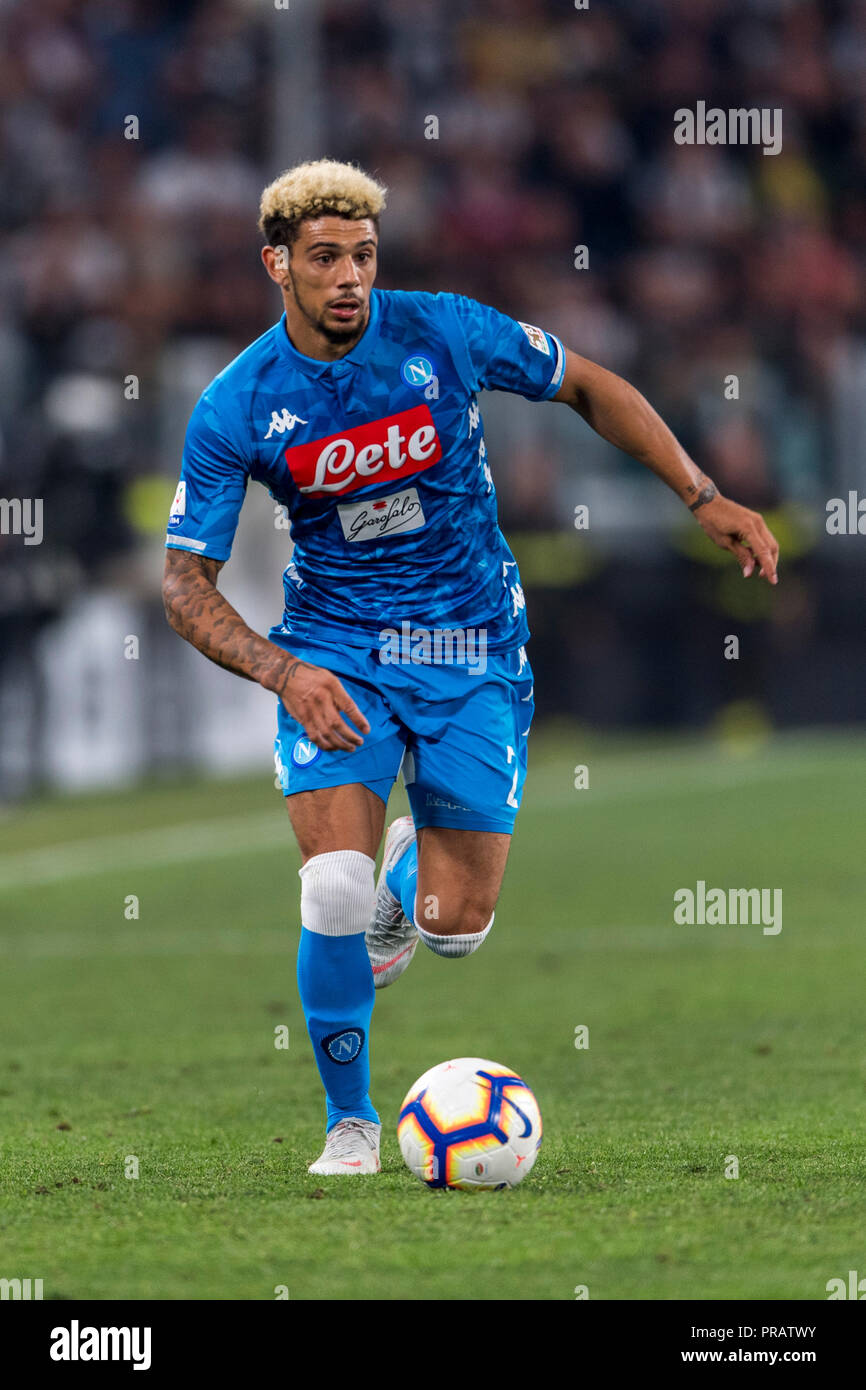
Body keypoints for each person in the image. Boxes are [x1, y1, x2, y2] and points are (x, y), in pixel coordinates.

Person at [162, 159, 779, 1175]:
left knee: (457, 927)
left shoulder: (442, 329)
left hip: (470, 645)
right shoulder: (237, 405)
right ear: (277, 265)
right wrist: (284, 674)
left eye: (362, 254)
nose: (349, 276)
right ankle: (349, 1123)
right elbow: (184, 584)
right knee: (330, 890)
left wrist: (698, 491)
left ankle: (413, 881)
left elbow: (586, 383)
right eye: (323, 258)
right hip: (338, 649)